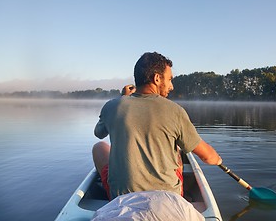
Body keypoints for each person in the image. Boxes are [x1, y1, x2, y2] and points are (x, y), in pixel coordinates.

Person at [93, 52, 222, 201]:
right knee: (178, 149)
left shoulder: (112, 106)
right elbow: (207, 156)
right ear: (157, 78)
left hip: (121, 197)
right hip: (168, 197)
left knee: (99, 147)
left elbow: (99, 133)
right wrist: (217, 159)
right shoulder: (175, 111)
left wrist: (124, 97)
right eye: (169, 79)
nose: (171, 86)